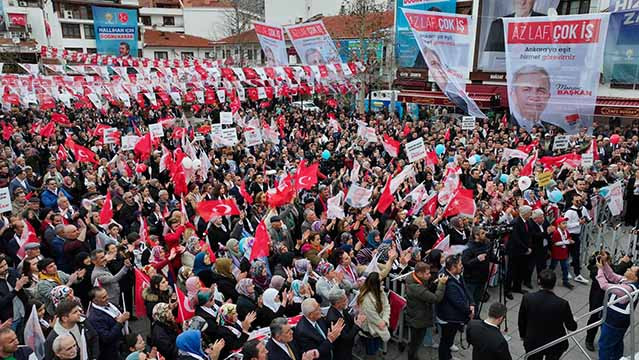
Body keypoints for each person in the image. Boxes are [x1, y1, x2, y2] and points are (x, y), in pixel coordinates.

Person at [518, 270, 577, 360]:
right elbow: (572, 327)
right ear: (554, 284)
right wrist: (573, 320)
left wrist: (523, 335)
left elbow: (521, 320)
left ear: (539, 282)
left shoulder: (528, 298)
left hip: (533, 342)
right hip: (555, 344)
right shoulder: (562, 304)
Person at [594, 251, 639, 360]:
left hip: (614, 321)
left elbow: (604, 285)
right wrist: (604, 263)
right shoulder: (627, 281)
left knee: (605, 346)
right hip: (618, 321)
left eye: (630, 270)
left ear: (635, 277)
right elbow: (612, 275)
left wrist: (600, 269)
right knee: (617, 343)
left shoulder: (628, 289)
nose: (628, 269)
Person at [584, 251, 633, 352]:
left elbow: (614, 274)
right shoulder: (595, 269)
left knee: (605, 324)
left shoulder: (614, 269)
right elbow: (609, 277)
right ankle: (589, 339)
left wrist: (622, 263)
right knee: (594, 319)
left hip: (611, 303)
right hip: (598, 299)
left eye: (608, 259)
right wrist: (622, 263)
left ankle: (605, 339)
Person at [405, 262, 447, 360]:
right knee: (416, 342)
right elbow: (436, 298)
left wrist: (435, 283)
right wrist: (441, 284)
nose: (430, 275)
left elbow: (426, 288)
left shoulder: (415, 278)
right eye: (427, 274)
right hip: (418, 319)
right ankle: (412, 357)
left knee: (416, 341)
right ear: (419, 274)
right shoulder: (416, 288)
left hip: (417, 316)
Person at [436, 255, 474, 360]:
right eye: (460, 265)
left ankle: (448, 354)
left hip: (453, 316)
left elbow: (465, 288)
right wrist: (469, 311)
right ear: (453, 268)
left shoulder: (456, 274)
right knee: (445, 341)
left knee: (449, 338)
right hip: (448, 318)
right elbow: (458, 303)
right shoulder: (448, 283)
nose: (462, 266)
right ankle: (445, 357)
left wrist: (472, 303)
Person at [86, 287, 130, 360]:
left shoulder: (110, 304)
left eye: (106, 295)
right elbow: (107, 338)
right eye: (103, 297)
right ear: (95, 301)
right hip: (111, 352)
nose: (107, 298)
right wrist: (119, 322)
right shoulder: (95, 318)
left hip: (122, 344)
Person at [324, 286, 364, 360]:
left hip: (347, 348)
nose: (347, 301)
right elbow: (346, 338)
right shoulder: (334, 318)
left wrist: (356, 314)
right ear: (337, 303)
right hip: (341, 351)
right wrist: (358, 324)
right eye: (345, 300)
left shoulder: (341, 309)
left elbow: (349, 318)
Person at [509, 65, 552, 132]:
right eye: (526, 89)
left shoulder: (555, 130)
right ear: (513, 95)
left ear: (548, 96)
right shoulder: (504, 127)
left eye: (541, 90)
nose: (534, 96)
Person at [506, 205, 533, 298]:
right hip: (515, 251)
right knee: (511, 271)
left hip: (523, 251)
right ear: (525, 213)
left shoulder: (527, 221)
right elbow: (516, 239)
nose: (531, 214)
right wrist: (526, 248)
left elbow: (528, 235)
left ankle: (517, 287)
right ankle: (507, 290)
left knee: (520, 270)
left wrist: (528, 247)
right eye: (530, 212)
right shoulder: (515, 222)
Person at [564, 195, 591, 285]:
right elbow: (566, 225)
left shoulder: (583, 209)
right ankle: (566, 271)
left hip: (577, 235)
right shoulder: (569, 212)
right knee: (566, 255)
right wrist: (578, 223)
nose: (579, 202)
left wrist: (587, 220)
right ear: (572, 201)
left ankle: (577, 274)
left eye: (580, 200)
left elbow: (587, 217)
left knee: (576, 255)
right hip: (569, 235)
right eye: (577, 201)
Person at [461, 227, 491, 306]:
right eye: (482, 233)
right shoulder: (468, 247)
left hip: (483, 277)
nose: (485, 235)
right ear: (476, 236)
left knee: (477, 299)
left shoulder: (487, 243)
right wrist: (477, 259)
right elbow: (465, 263)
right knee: (471, 301)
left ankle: (476, 316)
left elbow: (490, 255)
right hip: (471, 279)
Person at [549, 218, 574, 289]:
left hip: (563, 252)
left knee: (565, 268)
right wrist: (567, 242)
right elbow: (555, 243)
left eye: (565, 223)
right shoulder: (556, 232)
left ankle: (565, 281)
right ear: (558, 224)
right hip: (556, 253)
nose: (565, 225)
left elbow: (568, 237)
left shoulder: (566, 231)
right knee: (552, 267)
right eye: (563, 223)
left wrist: (570, 240)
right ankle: (547, 279)